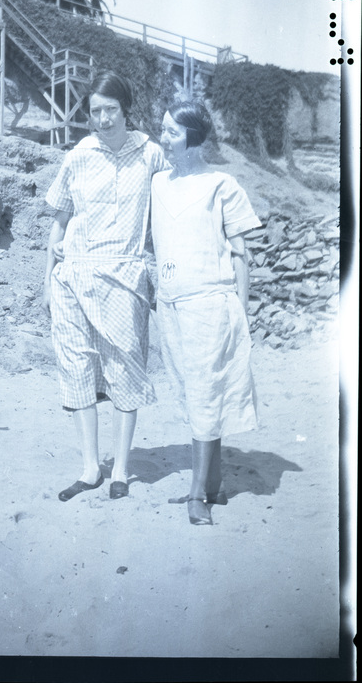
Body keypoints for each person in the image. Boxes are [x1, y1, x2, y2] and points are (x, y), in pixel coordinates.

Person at [43, 71, 166, 501]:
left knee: (124, 369)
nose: (103, 119)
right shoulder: (79, 154)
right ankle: (91, 467)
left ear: (125, 108)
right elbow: (59, 220)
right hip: (73, 276)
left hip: (124, 275)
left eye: (110, 109)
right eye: (95, 111)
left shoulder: (151, 154)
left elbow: (168, 214)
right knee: (77, 370)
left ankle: (122, 470)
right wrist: (46, 281)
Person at [151, 100, 261, 525]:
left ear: (194, 142)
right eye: (161, 129)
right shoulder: (159, 182)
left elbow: (240, 255)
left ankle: (197, 495)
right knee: (194, 392)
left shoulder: (222, 184)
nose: (164, 138)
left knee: (203, 392)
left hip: (209, 306)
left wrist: (243, 312)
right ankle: (213, 483)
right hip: (170, 304)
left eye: (172, 133)